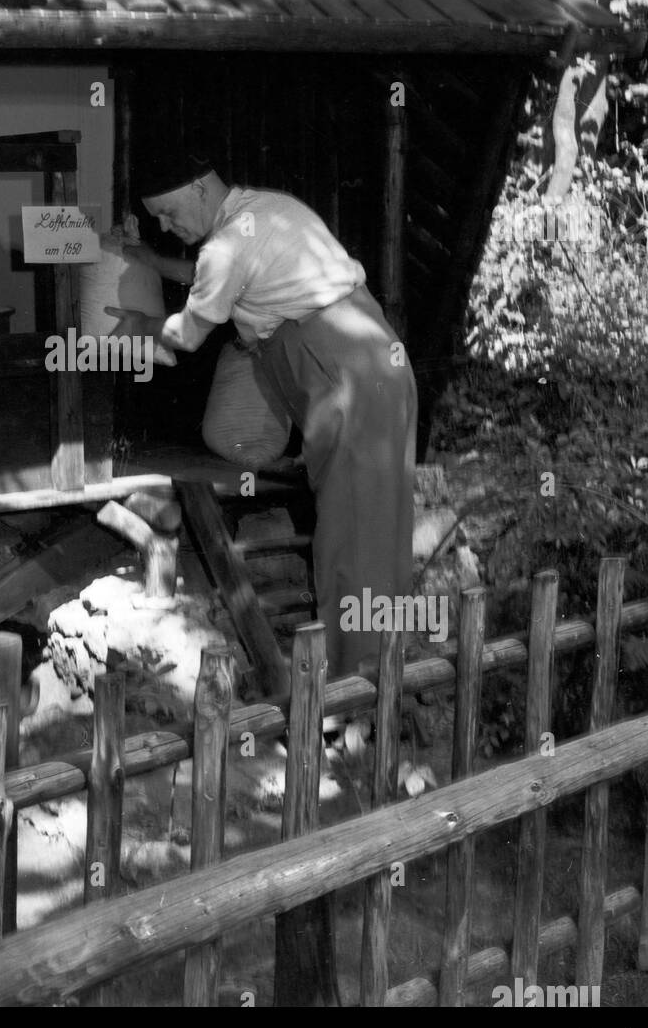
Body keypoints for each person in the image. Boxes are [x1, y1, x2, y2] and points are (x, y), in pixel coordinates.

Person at [108, 152, 418, 679]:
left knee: (351, 533)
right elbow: (209, 274)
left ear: (200, 189)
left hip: (343, 378)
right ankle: (385, 666)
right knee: (380, 526)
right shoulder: (267, 211)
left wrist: (138, 325)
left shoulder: (227, 245)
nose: (165, 226)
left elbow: (185, 334)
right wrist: (149, 260)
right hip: (380, 368)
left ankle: (353, 685)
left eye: (166, 213)